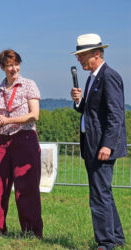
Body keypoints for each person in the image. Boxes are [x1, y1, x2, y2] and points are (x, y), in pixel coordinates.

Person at [70, 33, 126, 250]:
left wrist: (107, 144)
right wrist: (78, 102)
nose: (79, 59)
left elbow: (116, 114)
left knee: (99, 195)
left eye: (82, 55)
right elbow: (90, 112)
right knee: (104, 193)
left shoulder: (109, 76)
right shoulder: (93, 77)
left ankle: (105, 243)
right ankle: (116, 238)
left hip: (101, 146)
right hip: (92, 144)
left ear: (96, 53)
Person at [0, 49, 43, 238]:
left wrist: (8, 121)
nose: (14, 68)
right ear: (2, 67)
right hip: (1, 140)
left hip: (24, 138)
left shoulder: (28, 85)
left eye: (16, 64)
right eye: (9, 65)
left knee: (26, 187)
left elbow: (34, 115)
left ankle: (31, 232)